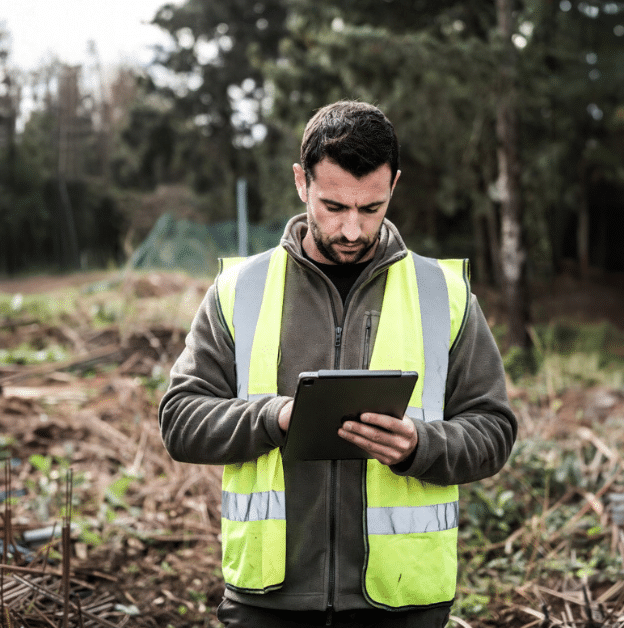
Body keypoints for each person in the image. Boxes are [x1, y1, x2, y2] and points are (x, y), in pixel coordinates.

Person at [158, 100, 517, 627]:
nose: (352, 230)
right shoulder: (241, 290)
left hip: (403, 605)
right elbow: (179, 421)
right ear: (301, 182)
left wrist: (420, 445)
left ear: (394, 184)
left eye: (370, 208)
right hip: (267, 604)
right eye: (333, 206)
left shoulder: (443, 294)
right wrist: (274, 417)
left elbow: (495, 430)